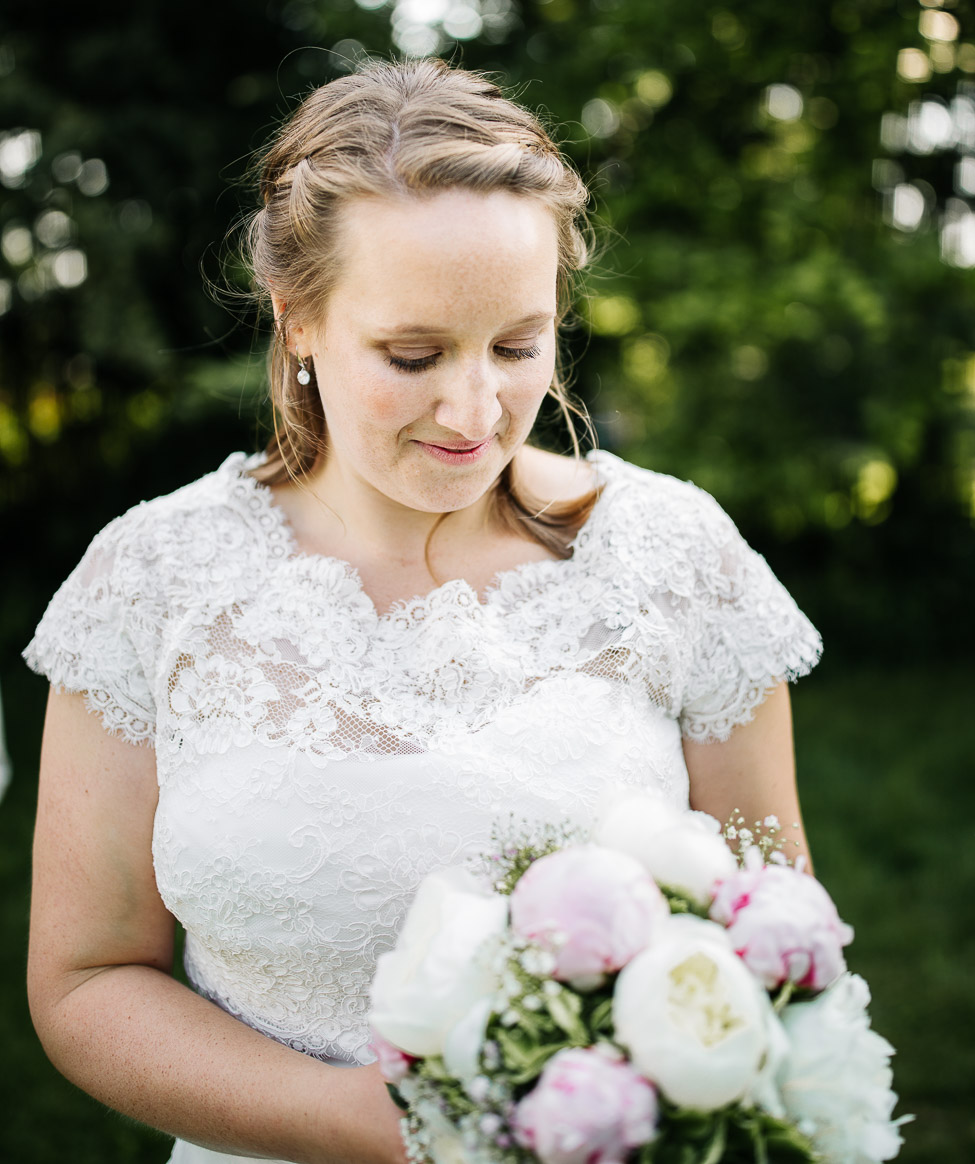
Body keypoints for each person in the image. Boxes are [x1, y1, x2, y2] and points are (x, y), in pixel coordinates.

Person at [24, 58, 821, 1164]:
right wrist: (366, 1125)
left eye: (516, 345)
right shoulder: (151, 579)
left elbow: (777, 939)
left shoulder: (677, 556)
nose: (472, 409)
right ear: (297, 319)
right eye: (412, 354)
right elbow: (88, 979)